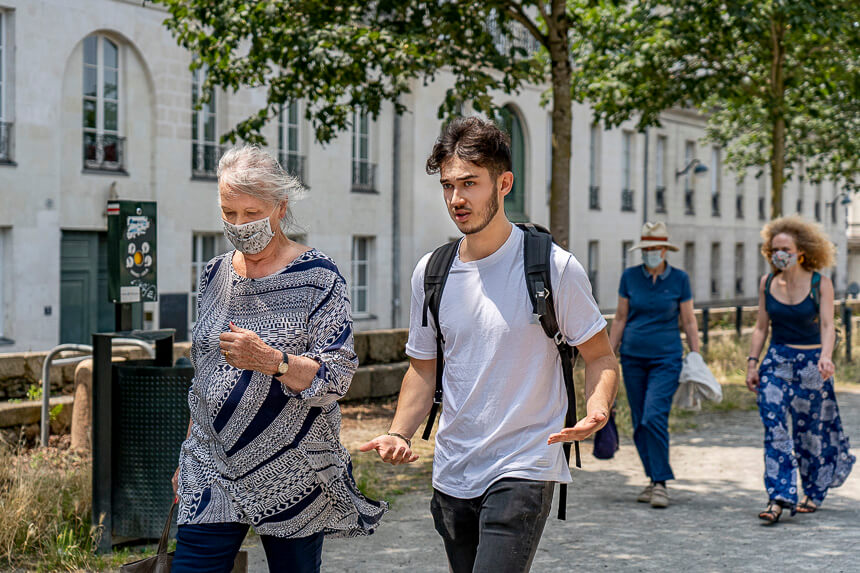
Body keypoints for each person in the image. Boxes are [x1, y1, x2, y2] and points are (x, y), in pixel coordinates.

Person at [359, 117, 618, 573]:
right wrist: (399, 432)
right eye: (448, 186)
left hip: (525, 464)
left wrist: (597, 411)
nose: (456, 199)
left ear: (504, 183)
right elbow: (423, 368)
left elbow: (599, 354)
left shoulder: (554, 268)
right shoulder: (432, 272)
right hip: (454, 468)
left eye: (470, 184)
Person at [170, 146, 386, 573]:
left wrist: (274, 361)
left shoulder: (318, 277)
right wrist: (186, 452)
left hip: (290, 464)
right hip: (211, 462)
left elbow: (338, 376)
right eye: (228, 213)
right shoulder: (214, 274)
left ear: (280, 207)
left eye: (251, 213)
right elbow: (204, 376)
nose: (238, 225)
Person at [746, 215, 855, 524]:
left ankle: (813, 490)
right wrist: (752, 363)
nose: (779, 253)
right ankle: (779, 496)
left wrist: (826, 356)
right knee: (775, 426)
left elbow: (827, 326)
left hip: (811, 364)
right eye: (774, 248)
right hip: (777, 363)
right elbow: (760, 328)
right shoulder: (767, 283)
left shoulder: (821, 283)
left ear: (802, 251)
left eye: (786, 248)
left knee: (810, 433)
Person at [608, 222, 699, 508]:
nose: (651, 253)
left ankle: (660, 482)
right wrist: (608, 355)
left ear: (665, 250)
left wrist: (695, 353)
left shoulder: (680, 279)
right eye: (646, 249)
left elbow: (689, 320)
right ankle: (652, 478)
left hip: (666, 359)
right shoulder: (630, 277)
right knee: (638, 422)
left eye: (655, 248)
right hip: (633, 358)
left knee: (653, 417)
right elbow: (621, 318)